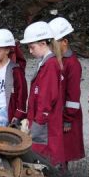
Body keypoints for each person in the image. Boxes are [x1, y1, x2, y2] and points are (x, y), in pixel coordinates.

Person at [21, 21, 65, 165]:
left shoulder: (50, 65)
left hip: (44, 125)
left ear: (43, 43)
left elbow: (46, 99)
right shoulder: (45, 63)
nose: (30, 51)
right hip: (40, 122)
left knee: (43, 161)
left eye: (32, 47)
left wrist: (37, 124)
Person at [49, 17, 85, 168]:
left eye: (54, 42)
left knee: (63, 152)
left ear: (65, 41)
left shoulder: (72, 64)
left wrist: (68, 118)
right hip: (57, 113)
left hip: (66, 115)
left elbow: (73, 95)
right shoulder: (56, 60)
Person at [0, 29, 28, 127]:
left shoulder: (15, 70)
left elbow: (22, 93)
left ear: (7, 50)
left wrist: (18, 114)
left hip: (4, 110)